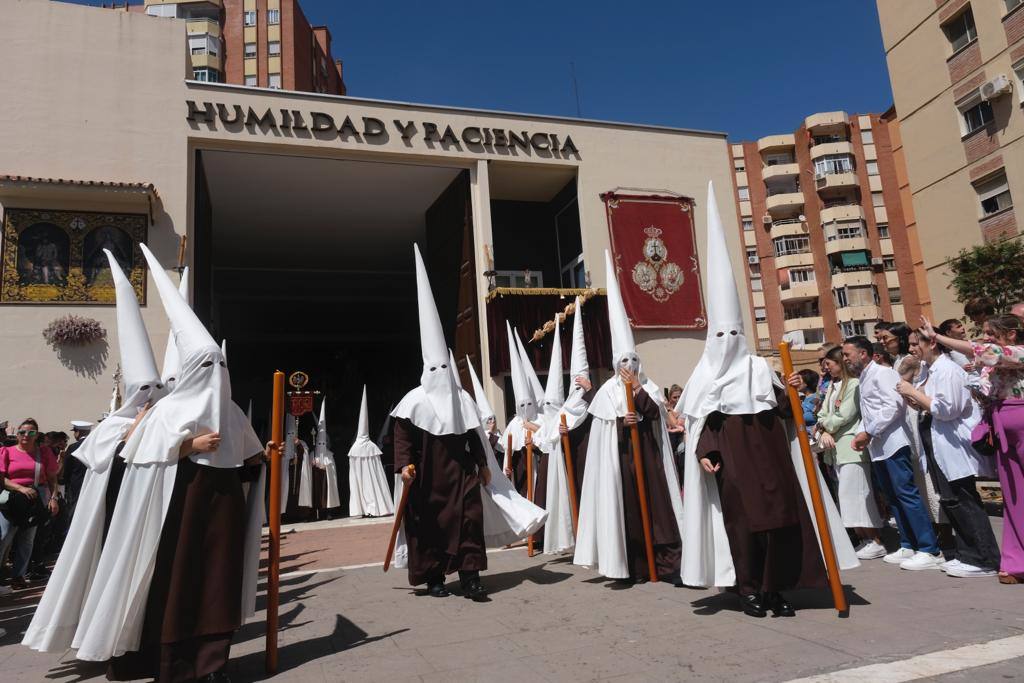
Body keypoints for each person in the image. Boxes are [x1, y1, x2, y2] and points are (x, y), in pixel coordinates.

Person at [71, 244, 267, 681]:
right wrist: (185, 447)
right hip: (175, 518)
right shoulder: (164, 413)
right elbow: (131, 466)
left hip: (222, 513)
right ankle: (171, 665)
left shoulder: (232, 412)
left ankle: (213, 664)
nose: (216, 370)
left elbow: (250, 463)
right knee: (175, 589)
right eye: (208, 363)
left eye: (220, 363)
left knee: (217, 589)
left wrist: (261, 458)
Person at [679, 182, 857, 617]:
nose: (729, 341)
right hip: (735, 463)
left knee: (781, 522)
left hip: (772, 455)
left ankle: (777, 587)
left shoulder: (761, 368)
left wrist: (792, 391)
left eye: (735, 334)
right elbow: (702, 421)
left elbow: (783, 410)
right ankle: (748, 588)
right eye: (721, 334)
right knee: (745, 527)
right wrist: (706, 452)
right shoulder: (704, 375)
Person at [390, 245, 545, 600]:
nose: (441, 374)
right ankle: (434, 579)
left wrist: (482, 465)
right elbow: (401, 438)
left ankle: (472, 578)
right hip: (428, 476)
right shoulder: (412, 403)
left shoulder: (463, 399)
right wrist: (403, 466)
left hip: (463, 474)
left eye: (445, 368)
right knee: (429, 527)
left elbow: (473, 433)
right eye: (436, 369)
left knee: (469, 522)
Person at [575, 250, 685, 586]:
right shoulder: (607, 392)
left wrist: (637, 391)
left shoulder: (648, 386)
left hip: (649, 459)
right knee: (627, 511)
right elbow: (603, 424)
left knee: (658, 509)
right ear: (614, 363)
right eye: (624, 361)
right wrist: (623, 422)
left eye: (634, 360)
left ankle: (667, 565)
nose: (630, 367)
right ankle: (631, 565)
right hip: (621, 460)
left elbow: (655, 411)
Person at [920, 313, 1024, 584]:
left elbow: (981, 350)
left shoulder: (1018, 351)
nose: (985, 337)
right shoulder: (991, 362)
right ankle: (1016, 561)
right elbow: (986, 388)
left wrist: (937, 336)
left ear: (1011, 334)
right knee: (1013, 497)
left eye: (992, 332)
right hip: (1002, 429)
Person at [896, 329, 1001, 578]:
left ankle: (984, 557)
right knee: (951, 500)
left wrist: (912, 392)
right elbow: (932, 402)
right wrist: (916, 397)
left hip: (954, 445)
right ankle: (967, 554)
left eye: (915, 344)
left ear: (932, 343)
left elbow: (948, 409)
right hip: (939, 443)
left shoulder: (947, 370)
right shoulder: (932, 371)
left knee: (963, 500)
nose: (911, 350)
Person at [845, 335, 942, 570]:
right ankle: (908, 543)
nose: (845, 359)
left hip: (893, 443)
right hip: (878, 447)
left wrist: (868, 431)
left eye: (848, 354)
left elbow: (893, 406)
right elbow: (869, 412)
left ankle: (930, 549)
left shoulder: (882, 373)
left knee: (906, 495)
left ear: (864, 354)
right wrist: (862, 433)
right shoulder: (864, 379)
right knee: (893, 498)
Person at [815, 346, 885, 560]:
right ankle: (862, 538)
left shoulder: (854, 385)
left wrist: (825, 425)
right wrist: (823, 424)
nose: (827, 368)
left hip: (851, 447)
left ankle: (875, 539)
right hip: (835, 450)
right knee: (846, 497)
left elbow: (843, 416)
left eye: (830, 363)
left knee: (858, 495)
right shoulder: (834, 386)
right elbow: (822, 413)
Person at [1, 418, 60, 590]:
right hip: (12, 498)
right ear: (17, 434)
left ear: (36, 435)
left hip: (35, 498)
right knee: (4, 536)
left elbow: (52, 478)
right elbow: (2, 478)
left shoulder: (44, 453)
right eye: (22, 432)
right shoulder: (6, 451)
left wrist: (54, 498)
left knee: (27, 539)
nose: (26, 435)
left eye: (31, 432)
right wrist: (20, 488)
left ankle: (18, 576)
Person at [346, 389, 392, 518]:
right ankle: (367, 508)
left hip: (368, 476)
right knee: (362, 487)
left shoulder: (364, 447)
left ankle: (372, 507)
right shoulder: (369, 446)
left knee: (366, 487)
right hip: (363, 476)